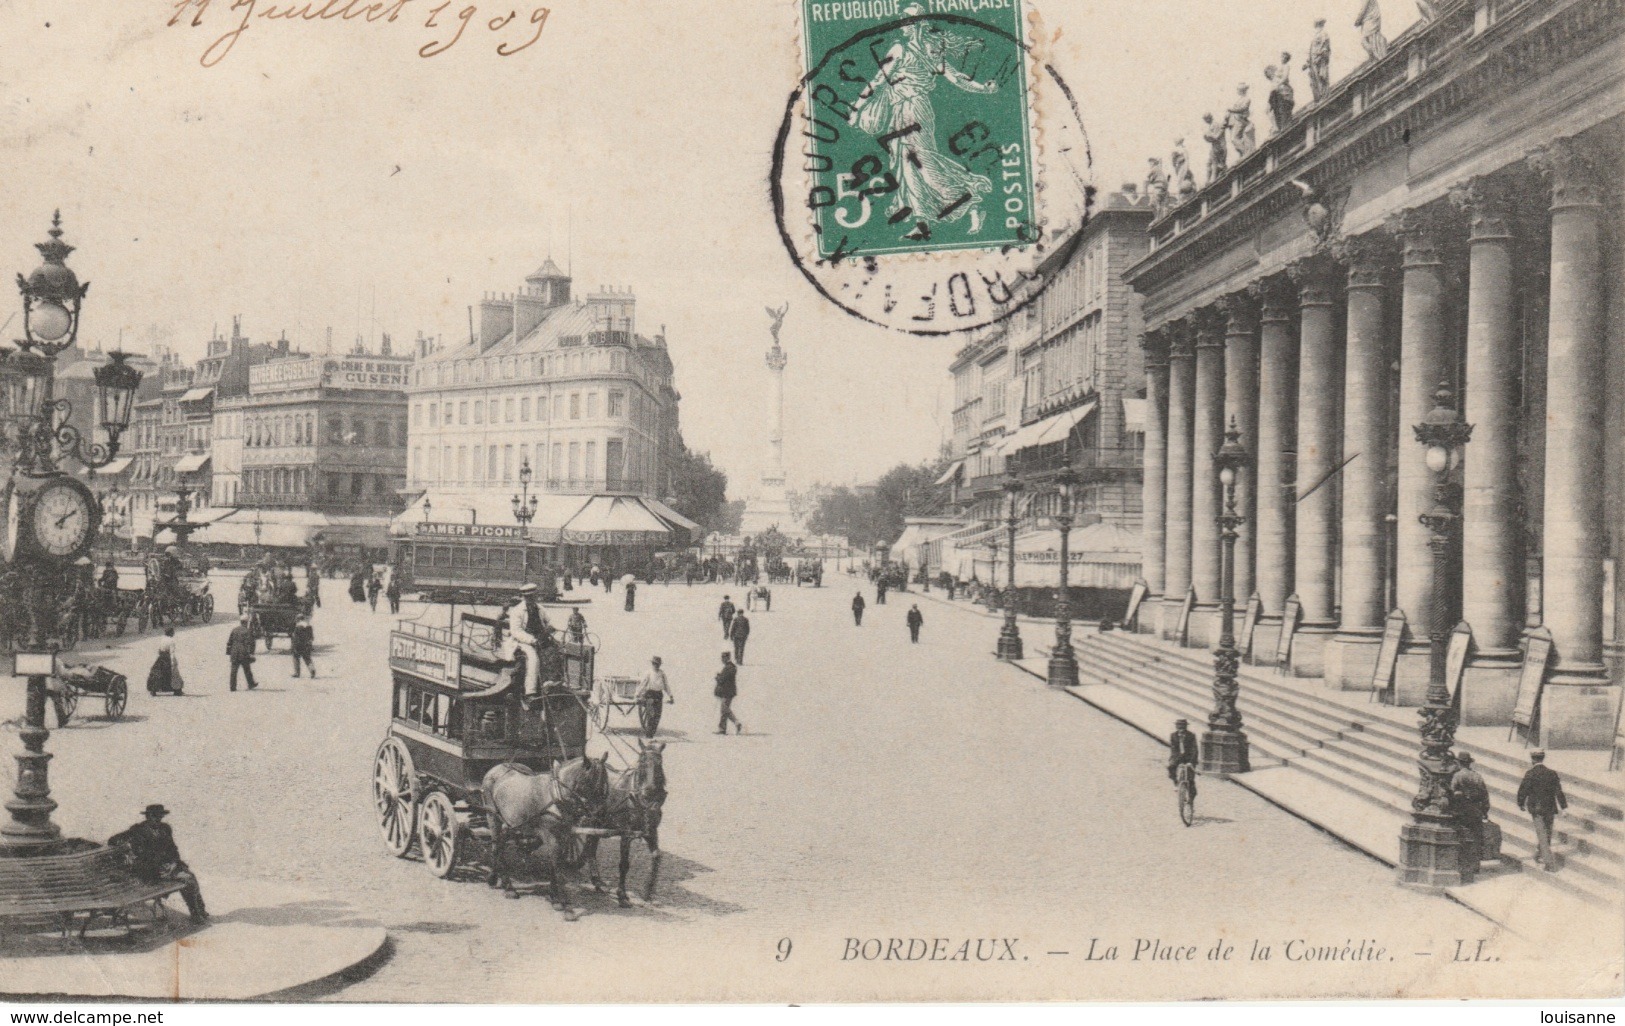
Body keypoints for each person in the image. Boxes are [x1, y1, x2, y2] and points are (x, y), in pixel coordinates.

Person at [108, 804, 207, 923]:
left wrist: (174, 862)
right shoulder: (138, 830)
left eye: (160, 816)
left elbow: (173, 848)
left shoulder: (165, 828)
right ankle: (197, 912)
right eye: (154, 816)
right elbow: (113, 840)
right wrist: (127, 848)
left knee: (190, 878)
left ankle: (199, 911)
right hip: (151, 870)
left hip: (168, 866)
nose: (157, 819)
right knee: (188, 878)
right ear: (148, 816)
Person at [1517, 750, 1567, 872]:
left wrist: (1521, 803)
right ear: (1542, 758)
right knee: (1547, 833)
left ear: (1532, 759)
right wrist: (1564, 807)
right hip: (1550, 808)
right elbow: (1558, 791)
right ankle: (1539, 855)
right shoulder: (1552, 773)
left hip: (1537, 809)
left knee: (1542, 835)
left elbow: (1523, 790)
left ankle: (1549, 863)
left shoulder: (1530, 773)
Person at [1449, 751, 1490, 874]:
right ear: (1469, 763)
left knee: (1462, 836)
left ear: (1459, 763)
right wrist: (1485, 810)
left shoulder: (1458, 776)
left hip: (1463, 810)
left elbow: (1452, 791)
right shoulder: (1477, 776)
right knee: (1476, 837)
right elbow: (1485, 795)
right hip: (1476, 810)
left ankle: (1463, 864)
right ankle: (1475, 865)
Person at [504, 584, 544, 703]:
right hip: (522, 642)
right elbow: (516, 632)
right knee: (533, 659)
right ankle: (530, 692)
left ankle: (550, 683)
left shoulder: (540, 609)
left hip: (539, 640)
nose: (530, 599)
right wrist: (532, 640)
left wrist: (550, 629)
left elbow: (549, 621)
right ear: (523, 597)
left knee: (555, 652)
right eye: (528, 597)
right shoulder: (517, 611)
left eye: (532, 596)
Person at [641, 655, 674, 735]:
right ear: (652, 663)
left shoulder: (662, 673)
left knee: (657, 716)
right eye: (655, 663)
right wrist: (637, 694)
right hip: (650, 695)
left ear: (660, 665)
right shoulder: (648, 673)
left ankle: (652, 733)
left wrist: (671, 696)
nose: (656, 665)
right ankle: (649, 735)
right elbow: (643, 684)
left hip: (659, 695)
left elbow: (666, 685)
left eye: (658, 664)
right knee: (651, 715)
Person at [1167, 718, 1198, 798]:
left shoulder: (1191, 735)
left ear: (1186, 726)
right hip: (1177, 757)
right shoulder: (1173, 735)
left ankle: (1191, 798)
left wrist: (1191, 761)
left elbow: (1194, 749)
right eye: (1179, 726)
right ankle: (1175, 782)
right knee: (1171, 767)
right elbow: (1173, 749)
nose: (1181, 728)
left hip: (1189, 757)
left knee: (1190, 778)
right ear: (1176, 726)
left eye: (1183, 726)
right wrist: (1174, 759)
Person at [147, 627, 183, 695]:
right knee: (173, 674)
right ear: (171, 633)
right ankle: (177, 690)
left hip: (161, 658)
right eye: (173, 632)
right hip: (167, 658)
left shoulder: (162, 639)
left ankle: (153, 690)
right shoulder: (171, 641)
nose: (174, 633)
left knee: (157, 673)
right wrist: (173, 662)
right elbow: (172, 652)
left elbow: (159, 650)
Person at [227, 614, 258, 691]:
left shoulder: (234, 630)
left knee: (233, 670)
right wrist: (251, 653)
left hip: (234, 652)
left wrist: (229, 652)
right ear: (246, 622)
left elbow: (229, 642)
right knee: (247, 669)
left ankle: (232, 687)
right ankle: (251, 684)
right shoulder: (247, 631)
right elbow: (251, 643)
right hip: (243, 653)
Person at [714, 651, 742, 735]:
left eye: (723, 658)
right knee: (724, 709)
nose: (722, 660)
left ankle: (736, 722)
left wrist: (718, 677)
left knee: (724, 709)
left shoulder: (728, 668)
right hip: (730, 691)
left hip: (727, 692)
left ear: (726, 658)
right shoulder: (731, 667)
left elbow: (722, 680)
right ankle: (722, 729)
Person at [1305, 18, 1331, 100]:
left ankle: (1324, 95)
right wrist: (1308, 62)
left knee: (1322, 76)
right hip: (1313, 59)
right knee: (1315, 79)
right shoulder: (1315, 36)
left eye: (1319, 25)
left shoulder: (1323, 33)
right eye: (1317, 25)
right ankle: (1319, 96)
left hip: (1320, 58)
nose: (1317, 27)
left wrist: (1321, 54)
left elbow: (1325, 45)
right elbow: (1311, 49)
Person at [291, 614, 316, 678]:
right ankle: (312, 670)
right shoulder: (309, 626)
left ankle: (297, 673)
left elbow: (295, 637)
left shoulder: (297, 627)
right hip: (307, 645)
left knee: (296, 658)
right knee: (307, 658)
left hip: (298, 645)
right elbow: (312, 637)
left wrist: (293, 646)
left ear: (298, 619)